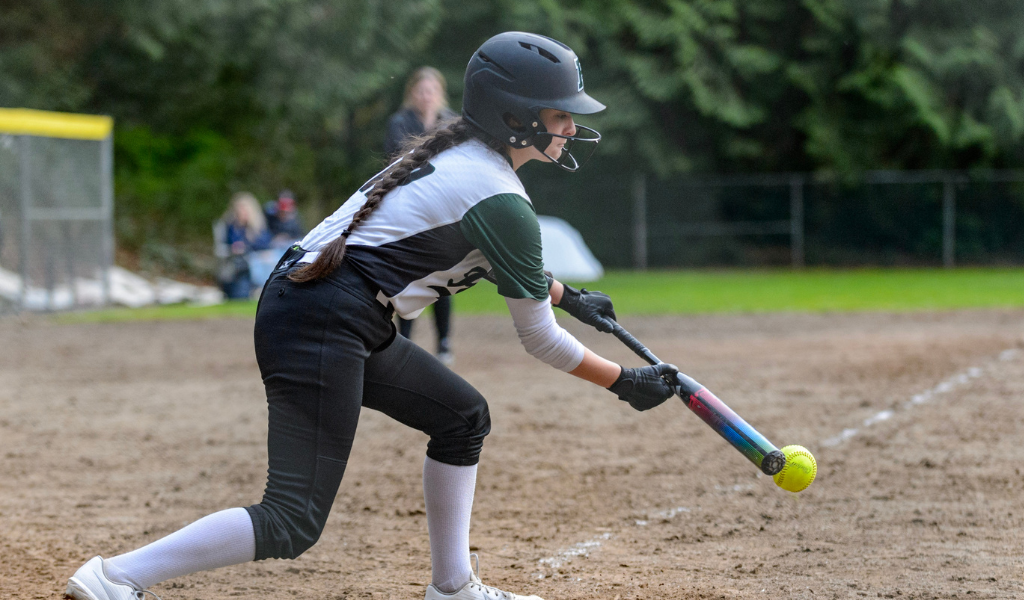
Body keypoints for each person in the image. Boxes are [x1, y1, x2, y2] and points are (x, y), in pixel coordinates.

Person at [64, 32, 679, 600]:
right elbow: (538, 339)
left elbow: (470, 252)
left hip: (329, 309)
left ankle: (454, 588)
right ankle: (115, 577)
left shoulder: (464, 157)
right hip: (324, 317)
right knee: (291, 519)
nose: (571, 126)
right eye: (559, 113)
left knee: (463, 417)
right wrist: (620, 381)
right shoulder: (499, 196)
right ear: (513, 116)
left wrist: (568, 296)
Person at [385, 66, 459, 364]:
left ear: (439, 94)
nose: (426, 96)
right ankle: (405, 341)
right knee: (410, 275)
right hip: (411, 207)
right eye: (421, 91)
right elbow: (397, 161)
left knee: (443, 274)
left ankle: (443, 342)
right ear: (411, 94)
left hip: (442, 208)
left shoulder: (451, 121)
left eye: (431, 91)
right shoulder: (399, 122)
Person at [216, 192, 272, 300]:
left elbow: (265, 244)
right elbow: (227, 244)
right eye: (239, 210)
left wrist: (248, 242)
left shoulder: (257, 227)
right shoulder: (231, 226)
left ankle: (258, 288)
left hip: (256, 263)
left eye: (244, 210)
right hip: (238, 265)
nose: (242, 213)